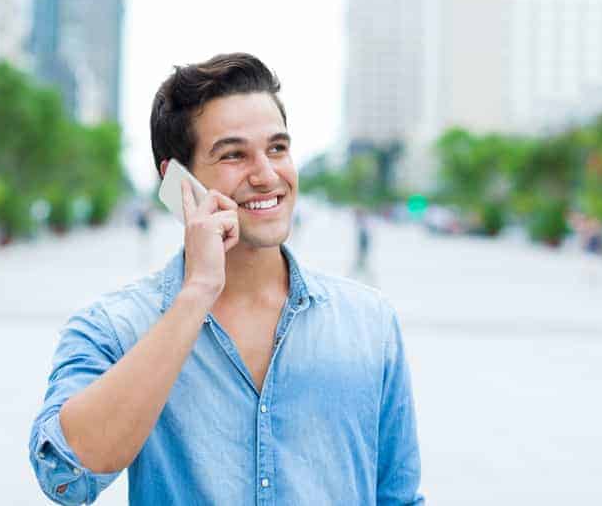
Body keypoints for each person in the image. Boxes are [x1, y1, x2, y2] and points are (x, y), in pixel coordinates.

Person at [28, 54, 424, 505]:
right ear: (178, 181)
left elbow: (399, 497)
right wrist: (196, 294)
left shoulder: (368, 323)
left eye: (277, 148)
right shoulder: (115, 328)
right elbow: (65, 475)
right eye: (234, 154)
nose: (267, 175)